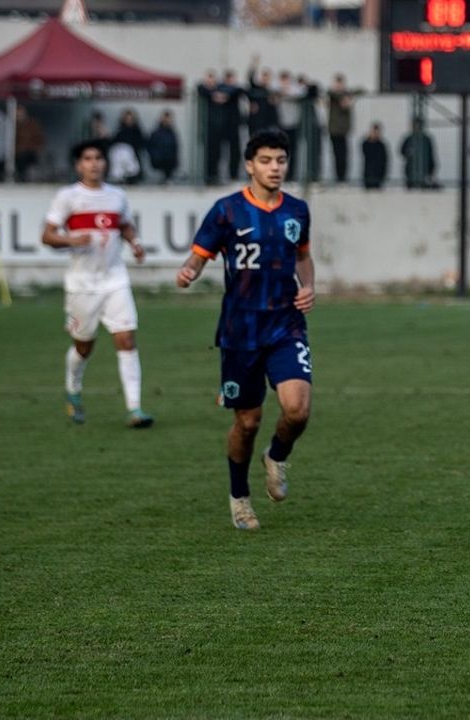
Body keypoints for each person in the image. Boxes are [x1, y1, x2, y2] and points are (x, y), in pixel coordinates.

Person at [175, 129, 315, 531]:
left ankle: (276, 455)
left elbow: (303, 256)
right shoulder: (227, 210)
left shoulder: (298, 210)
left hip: (286, 324)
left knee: (298, 410)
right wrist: (190, 270)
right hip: (240, 331)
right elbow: (200, 255)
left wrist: (308, 286)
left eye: (281, 160)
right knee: (247, 422)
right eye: (267, 161)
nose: (275, 168)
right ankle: (239, 497)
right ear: (250, 165)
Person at [41, 139, 155, 429]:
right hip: (82, 284)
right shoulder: (68, 196)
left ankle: (135, 408)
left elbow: (125, 225)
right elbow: (48, 235)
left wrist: (136, 243)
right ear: (79, 165)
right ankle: (73, 388)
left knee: (126, 339)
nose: (94, 163)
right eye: (88, 159)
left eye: (99, 158)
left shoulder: (117, 195)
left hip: (115, 279)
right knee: (84, 346)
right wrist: (70, 239)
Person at [327, 73, 356, 184]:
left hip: (343, 130)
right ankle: (339, 177)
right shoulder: (332, 95)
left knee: (343, 155)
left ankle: (342, 178)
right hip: (334, 130)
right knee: (336, 155)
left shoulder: (347, 95)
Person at [110, 108, 146, 184]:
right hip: (120, 153)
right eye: (127, 118)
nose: (129, 120)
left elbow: (141, 143)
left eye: (130, 118)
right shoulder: (120, 130)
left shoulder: (137, 130)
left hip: (133, 153)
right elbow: (115, 142)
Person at [401, 118, 438, 189]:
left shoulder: (426, 140)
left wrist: (432, 170)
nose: (416, 127)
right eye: (415, 125)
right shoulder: (409, 139)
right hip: (410, 174)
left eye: (418, 125)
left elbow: (431, 156)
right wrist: (408, 152)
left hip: (424, 174)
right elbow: (402, 152)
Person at [147, 110, 180, 183]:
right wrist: (155, 155)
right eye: (165, 118)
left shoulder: (172, 133)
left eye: (168, 119)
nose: (167, 121)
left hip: (169, 159)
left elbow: (175, 148)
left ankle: (167, 178)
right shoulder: (156, 133)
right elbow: (150, 146)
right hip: (158, 158)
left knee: (169, 159)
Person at [14, 105, 45, 182]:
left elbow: (40, 140)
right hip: (17, 155)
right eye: (17, 115)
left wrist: (34, 149)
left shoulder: (33, 125)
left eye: (21, 114)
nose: (19, 117)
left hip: (31, 153)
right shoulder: (13, 126)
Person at [361, 122, 389, 190]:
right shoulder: (366, 143)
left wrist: (383, 175)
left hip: (378, 176)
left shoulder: (381, 145)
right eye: (374, 131)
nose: (375, 133)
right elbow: (364, 151)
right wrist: (369, 139)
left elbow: (385, 161)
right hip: (368, 176)